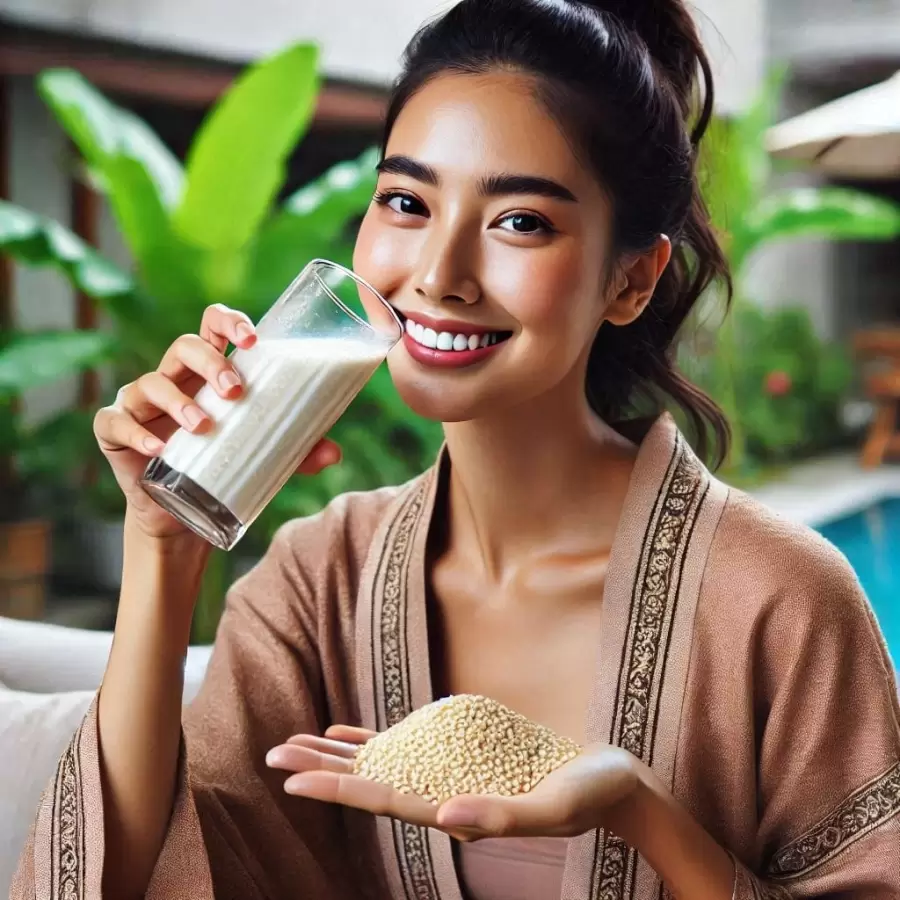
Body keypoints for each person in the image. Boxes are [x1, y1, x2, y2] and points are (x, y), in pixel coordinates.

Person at [13, 0, 900, 898]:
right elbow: (117, 879)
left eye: (520, 221)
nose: (438, 274)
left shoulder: (780, 600)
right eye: (406, 201)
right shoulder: (321, 581)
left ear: (632, 279)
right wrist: (162, 549)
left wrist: (642, 811)